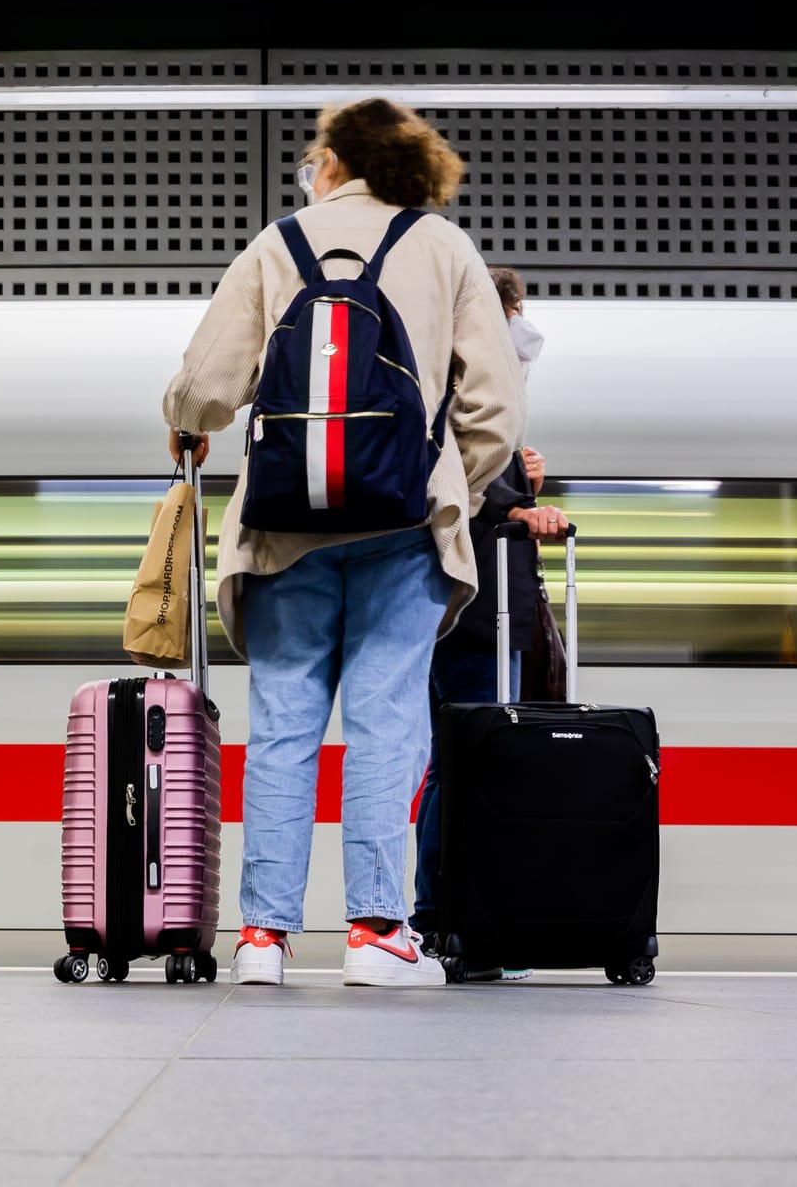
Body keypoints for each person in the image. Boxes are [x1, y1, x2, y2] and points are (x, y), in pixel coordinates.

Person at [163, 98, 525, 988]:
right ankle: (375, 936)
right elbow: (495, 412)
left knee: (283, 727)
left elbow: (204, 389)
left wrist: (187, 423)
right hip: (406, 531)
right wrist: (448, 490)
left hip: (284, 528)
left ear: (332, 160)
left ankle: (263, 942)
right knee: (385, 724)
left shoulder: (276, 243)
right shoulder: (444, 248)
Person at [409, 264, 569, 981]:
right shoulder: (463, 388)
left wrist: (523, 485)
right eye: (517, 314)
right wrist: (516, 508)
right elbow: (454, 492)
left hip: (481, 608)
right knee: (469, 764)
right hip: (478, 612)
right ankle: (451, 920)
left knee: (459, 764)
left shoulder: (464, 392)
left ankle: (450, 916)